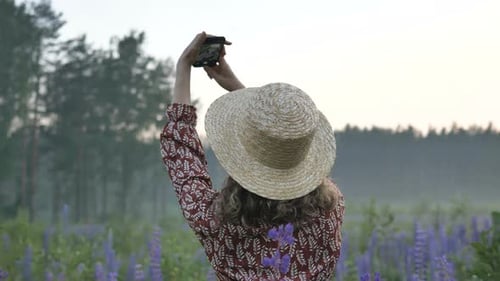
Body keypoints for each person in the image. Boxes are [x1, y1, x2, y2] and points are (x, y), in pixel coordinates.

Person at [160, 32, 345, 281]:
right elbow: (281, 148)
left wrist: (184, 67)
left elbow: (184, 160)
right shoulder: (328, 215)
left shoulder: (218, 223)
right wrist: (243, 94)